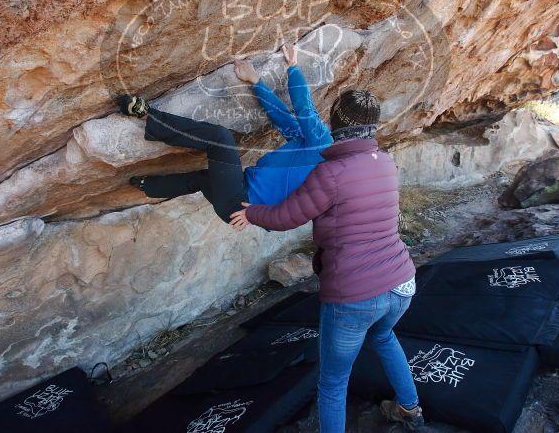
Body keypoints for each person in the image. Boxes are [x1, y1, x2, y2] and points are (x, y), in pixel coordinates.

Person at [228, 90, 424, 432]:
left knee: (333, 384)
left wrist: (254, 213)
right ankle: (409, 409)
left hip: (355, 295)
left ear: (335, 123)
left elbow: (287, 216)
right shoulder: (386, 161)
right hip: (402, 284)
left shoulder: (330, 173)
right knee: (384, 338)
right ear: (373, 126)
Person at [118, 43, 332, 222]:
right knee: (202, 180)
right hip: (237, 198)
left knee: (220, 138)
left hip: (241, 205)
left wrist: (293, 66)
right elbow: (282, 117)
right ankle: (147, 186)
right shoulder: (313, 148)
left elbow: (305, 108)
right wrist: (256, 82)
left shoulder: (323, 144)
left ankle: (148, 116)